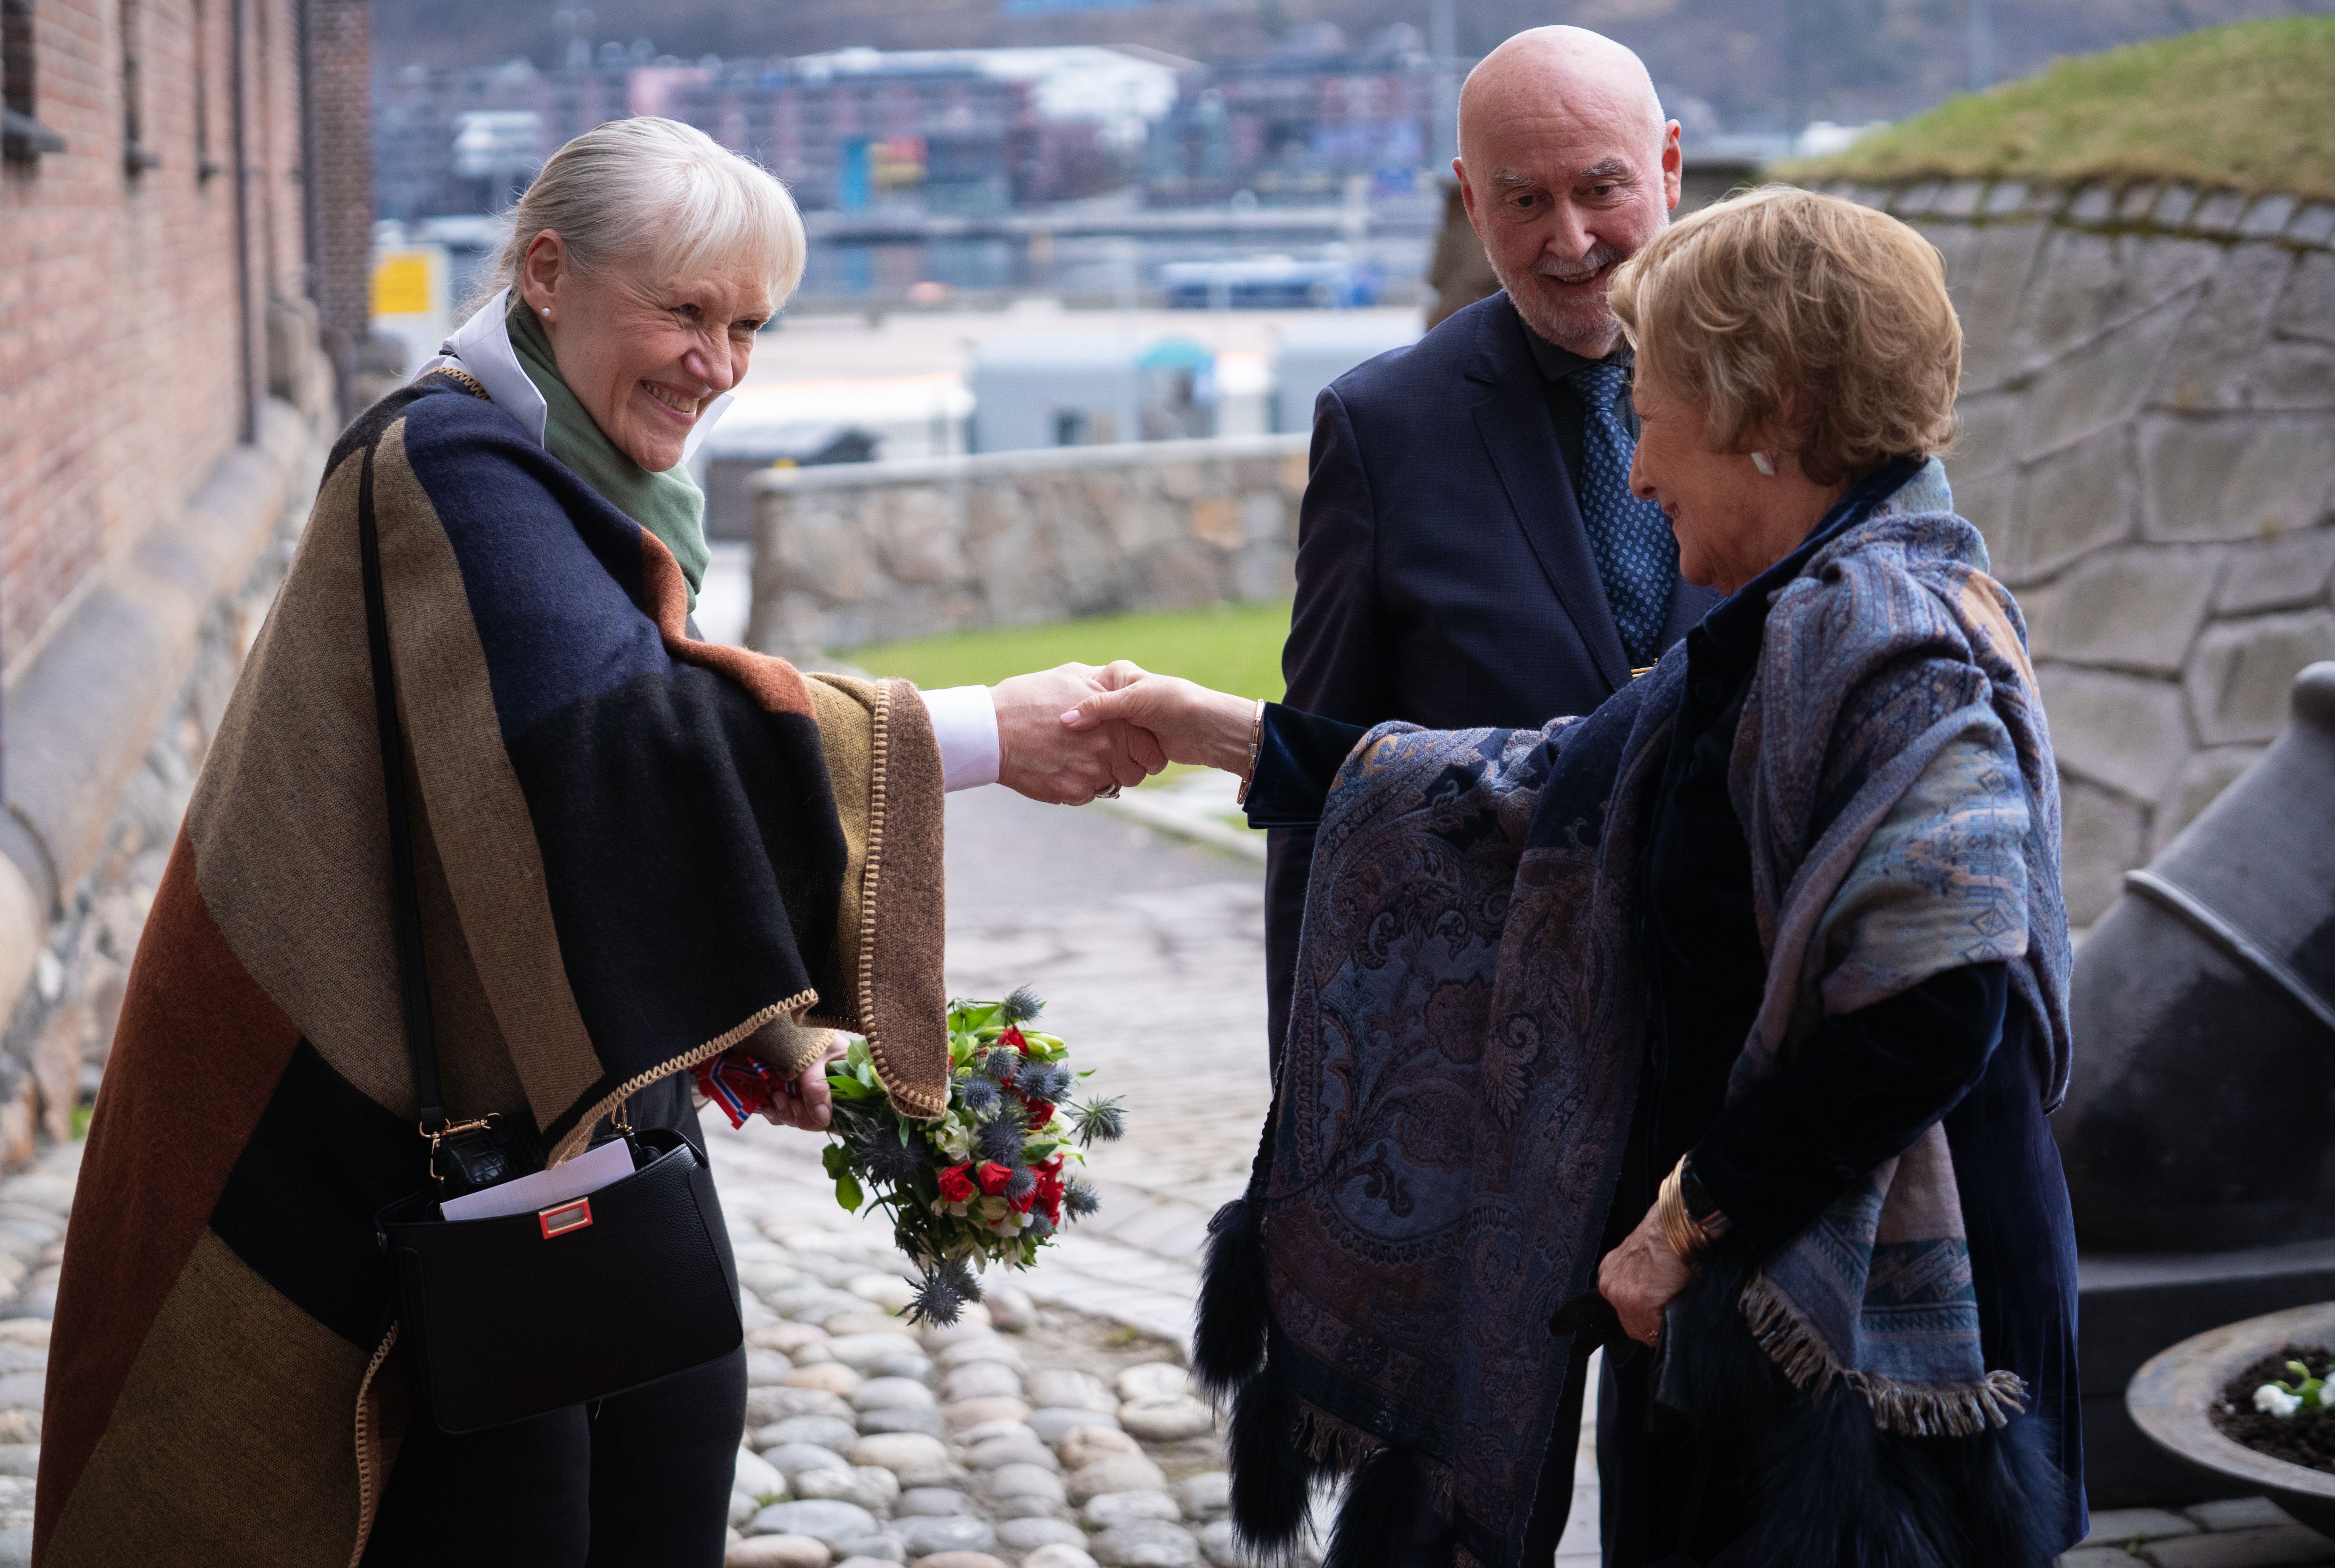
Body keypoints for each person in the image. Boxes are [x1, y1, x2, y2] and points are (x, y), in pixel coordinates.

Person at [35, 118, 1157, 1568]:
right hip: (383, 1173)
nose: (721, 365)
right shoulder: (446, 462)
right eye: (684, 311)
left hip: (578, 1170)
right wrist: (984, 730)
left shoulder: (589, 476)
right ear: (547, 272)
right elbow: (618, 754)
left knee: (662, 1471)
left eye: (750, 325)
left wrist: (760, 1036)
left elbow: (544, 846)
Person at [1070, 187, 2085, 1568]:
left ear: (1766, 421)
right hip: (1767, 1320)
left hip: (1874, 1357)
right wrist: (1231, 737)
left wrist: (1682, 1219)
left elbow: (1935, 1007)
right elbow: (1547, 779)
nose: (1640, 470)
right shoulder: (1800, 618)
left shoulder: (1891, 647)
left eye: (1655, 416)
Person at [1268, 25, 1718, 1093]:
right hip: (1482, 1066)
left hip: (1739, 1052)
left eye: (1601, 190)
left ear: (1667, 165)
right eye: (1523, 202)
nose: (1570, 241)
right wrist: (1308, 1102)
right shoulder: (1383, 427)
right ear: (1471, 203)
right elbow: (1320, 782)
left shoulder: (1786, 390)